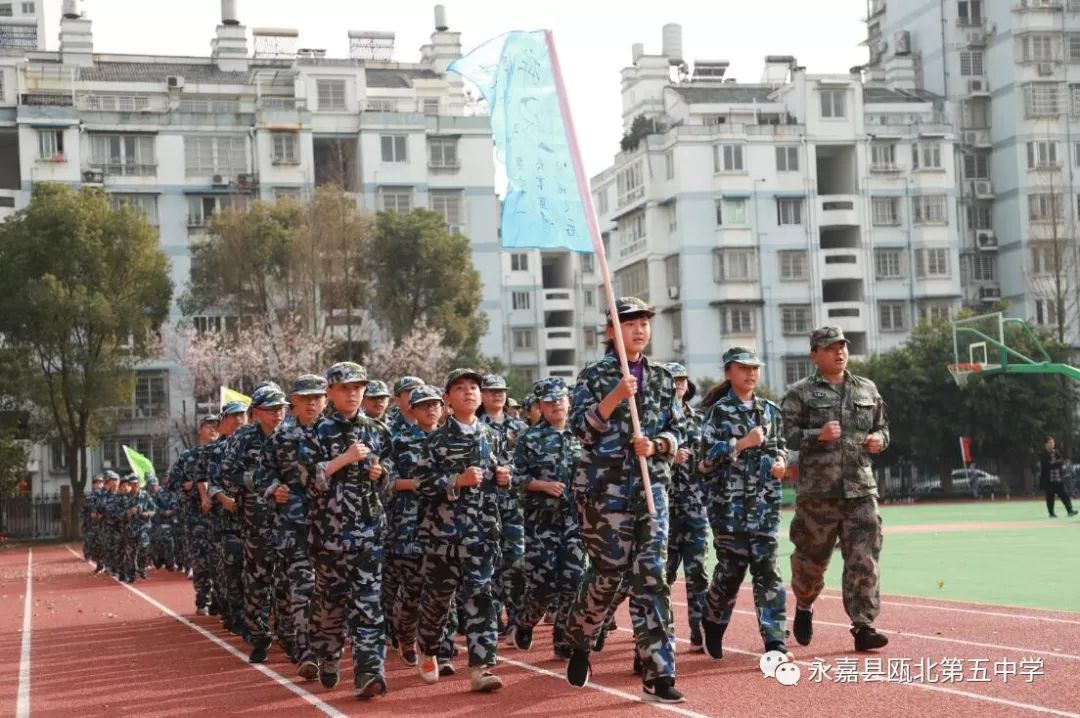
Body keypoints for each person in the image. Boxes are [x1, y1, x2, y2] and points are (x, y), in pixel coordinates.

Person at [563, 296, 686, 704]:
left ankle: (658, 672)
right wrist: (615, 396)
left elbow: (680, 431)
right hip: (605, 492)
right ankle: (580, 637)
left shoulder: (664, 378)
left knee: (652, 577)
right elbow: (581, 432)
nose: (639, 330)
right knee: (608, 575)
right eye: (629, 323)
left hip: (652, 491)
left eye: (644, 323)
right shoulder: (594, 377)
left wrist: (658, 445)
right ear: (611, 332)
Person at [782, 326, 890, 652]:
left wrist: (879, 441)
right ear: (815, 354)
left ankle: (864, 625)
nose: (839, 352)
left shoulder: (867, 389)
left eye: (842, 346)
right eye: (830, 348)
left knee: (864, 559)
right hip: (819, 494)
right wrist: (817, 434)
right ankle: (803, 605)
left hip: (860, 490)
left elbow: (883, 427)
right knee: (811, 561)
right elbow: (785, 435)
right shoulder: (799, 393)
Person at [300, 362, 393, 699]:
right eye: (345, 388)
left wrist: (380, 474)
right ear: (330, 393)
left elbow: (391, 479)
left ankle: (369, 672)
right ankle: (327, 654)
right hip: (329, 537)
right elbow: (309, 480)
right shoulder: (315, 432)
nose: (353, 393)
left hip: (368, 533)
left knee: (369, 605)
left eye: (358, 387)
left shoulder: (379, 431)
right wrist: (343, 459)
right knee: (331, 604)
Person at [414, 368, 508, 693]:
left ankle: (482, 668)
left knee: (481, 598)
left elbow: (507, 473)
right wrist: (456, 481)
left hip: (482, 534)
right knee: (439, 601)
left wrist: (507, 479)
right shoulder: (436, 440)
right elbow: (423, 484)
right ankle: (427, 646)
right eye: (460, 388)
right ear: (448, 399)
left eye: (473, 387)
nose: (469, 392)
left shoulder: (494, 435)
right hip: (445, 537)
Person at [697, 347, 790, 660]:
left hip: (765, 504)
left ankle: (775, 640)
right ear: (728, 373)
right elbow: (703, 459)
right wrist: (741, 443)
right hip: (729, 508)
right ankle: (712, 620)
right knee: (730, 572)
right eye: (743, 368)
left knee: (769, 572)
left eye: (755, 368)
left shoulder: (771, 411)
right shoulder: (717, 413)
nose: (751, 373)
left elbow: (781, 449)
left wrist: (780, 462)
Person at [512, 377, 584, 660]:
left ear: (569, 401)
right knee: (542, 583)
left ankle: (563, 639)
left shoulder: (582, 434)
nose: (556, 405)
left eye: (560, 399)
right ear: (540, 405)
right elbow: (515, 476)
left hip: (575, 521)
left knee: (573, 581)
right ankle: (526, 620)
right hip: (541, 521)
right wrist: (541, 485)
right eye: (549, 401)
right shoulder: (529, 438)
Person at [262, 374, 327, 677]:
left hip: (334, 527)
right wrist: (274, 487)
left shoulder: (337, 434)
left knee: (332, 593)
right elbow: (264, 473)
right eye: (306, 398)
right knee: (303, 589)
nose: (312, 402)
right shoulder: (280, 438)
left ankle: (329, 647)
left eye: (318, 397)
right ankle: (307, 653)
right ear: (294, 403)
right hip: (295, 527)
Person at [222, 385, 289, 663]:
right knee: (258, 580)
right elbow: (229, 474)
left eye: (282, 408)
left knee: (290, 579)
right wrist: (263, 484)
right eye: (272, 409)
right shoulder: (244, 437)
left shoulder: (293, 435)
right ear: (257, 412)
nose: (278, 414)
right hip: (256, 520)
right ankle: (260, 637)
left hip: (290, 519)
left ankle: (291, 636)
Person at [383, 385, 444, 668]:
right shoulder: (399, 440)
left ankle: (432, 645)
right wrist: (420, 485)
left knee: (442, 588)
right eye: (424, 406)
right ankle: (405, 636)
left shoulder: (451, 439)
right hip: (409, 523)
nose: (430, 410)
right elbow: (388, 482)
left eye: (435, 405)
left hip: (447, 524)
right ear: (413, 410)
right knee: (412, 588)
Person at [660, 362, 707, 653]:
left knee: (697, 572)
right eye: (672, 379)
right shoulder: (654, 420)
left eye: (682, 379)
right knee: (662, 575)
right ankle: (661, 632)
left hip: (694, 506)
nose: (678, 384)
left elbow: (710, 458)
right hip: (663, 507)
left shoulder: (700, 419)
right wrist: (669, 455)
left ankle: (699, 630)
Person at [170, 414, 219, 614]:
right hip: (196, 517)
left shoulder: (224, 452)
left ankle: (221, 600)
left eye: (217, 426)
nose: (213, 429)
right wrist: (191, 489)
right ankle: (203, 600)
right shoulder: (188, 457)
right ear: (200, 429)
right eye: (209, 426)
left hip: (220, 515)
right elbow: (173, 484)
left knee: (221, 559)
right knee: (201, 561)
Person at [1039, 436, 1077, 518]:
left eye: (1053, 442)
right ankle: (1051, 513)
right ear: (1045, 444)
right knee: (1050, 498)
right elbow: (1047, 465)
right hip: (1048, 481)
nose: (1052, 444)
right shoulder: (1043, 454)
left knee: (1065, 496)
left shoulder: (1057, 452)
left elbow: (1061, 461)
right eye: (1050, 442)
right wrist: (1057, 463)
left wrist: (1057, 463)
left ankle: (1070, 511)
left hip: (1058, 479)